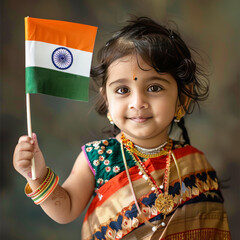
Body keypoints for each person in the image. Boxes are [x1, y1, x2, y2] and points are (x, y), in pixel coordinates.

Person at [13, 16, 231, 239]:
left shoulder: (195, 163)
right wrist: (37, 178)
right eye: (122, 90)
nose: (138, 102)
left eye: (154, 87)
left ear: (182, 100)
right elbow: (66, 209)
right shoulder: (97, 159)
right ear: (107, 100)